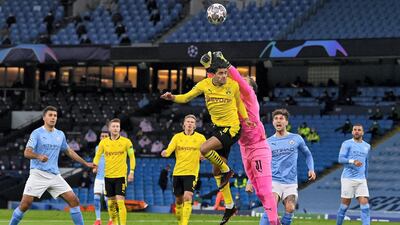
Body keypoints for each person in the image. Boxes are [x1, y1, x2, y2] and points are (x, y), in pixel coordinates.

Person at [161, 55, 253, 225]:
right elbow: (187, 97)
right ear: (213, 74)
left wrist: (245, 118)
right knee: (215, 172)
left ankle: (227, 170)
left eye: (226, 73)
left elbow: (239, 103)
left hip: (232, 129)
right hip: (218, 128)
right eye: (220, 73)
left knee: (203, 149)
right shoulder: (205, 85)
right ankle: (230, 206)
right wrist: (172, 97)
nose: (224, 76)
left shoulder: (232, 85)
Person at [204, 52, 279, 225]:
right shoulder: (232, 99)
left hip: (258, 147)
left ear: (251, 88)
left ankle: (274, 222)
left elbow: (235, 78)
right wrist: (209, 67)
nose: (239, 83)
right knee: (259, 193)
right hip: (244, 149)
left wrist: (226, 63)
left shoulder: (250, 98)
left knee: (265, 191)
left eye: (245, 82)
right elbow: (215, 84)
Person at [9, 106, 93, 225]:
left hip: (54, 175)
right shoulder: (37, 133)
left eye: (55, 116)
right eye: (50, 115)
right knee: (25, 204)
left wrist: (85, 163)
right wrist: (38, 156)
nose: (53, 118)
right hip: (38, 173)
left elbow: (69, 151)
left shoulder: (60, 134)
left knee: (74, 201)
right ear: (44, 118)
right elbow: (26, 152)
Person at [267, 109, 316, 225]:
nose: (278, 121)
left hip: (290, 182)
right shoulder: (268, 142)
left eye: (281, 118)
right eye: (276, 119)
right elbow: (260, 162)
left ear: (286, 122)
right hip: (274, 181)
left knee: (290, 208)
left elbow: (308, 154)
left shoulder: (296, 138)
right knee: (271, 206)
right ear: (273, 122)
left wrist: (311, 169)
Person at [161, 114, 206, 225]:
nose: (190, 124)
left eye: (192, 122)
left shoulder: (201, 138)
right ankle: (179, 216)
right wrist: (165, 153)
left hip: (192, 172)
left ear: (195, 126)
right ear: (184, 124)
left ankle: (184, 223)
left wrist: (204, 155)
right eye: (188, 122)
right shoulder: (177, 137)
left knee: (188, 196)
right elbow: (169, 149)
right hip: (177, 172)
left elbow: (206, 151)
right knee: (179, 200)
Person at [93, 118, 136, 225]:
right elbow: (97, 156)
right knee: (111, 204)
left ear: (120, 128)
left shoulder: (126, 142)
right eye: (113, 126)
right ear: (109, 128)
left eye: (117, 126)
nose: (116, 128)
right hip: (108, 176)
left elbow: (132, 157)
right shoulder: (104, 143)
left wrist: (131, 171)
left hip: (120, 176)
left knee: (120, 202)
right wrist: (95, 165)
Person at [336, 124, 371, 225]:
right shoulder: (346, 144)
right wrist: (352, 161)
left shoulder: (367, 146)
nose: (356, 131)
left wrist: (366, 177)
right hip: (348, 179)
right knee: (344, 206)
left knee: (365, 205)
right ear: (352, 132)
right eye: (355, 130)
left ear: (363, 132)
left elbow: (366, 163)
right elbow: (340, 159)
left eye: (359, 130)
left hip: (361, 180)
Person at [93, 131, 113, 225]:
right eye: (102, 136)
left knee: (107, 199)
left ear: (109, 137)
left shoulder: (113, 148)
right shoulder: (97, 148)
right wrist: (95, 167)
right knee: (96, 198)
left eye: (106, 136)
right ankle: (98, 220)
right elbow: (96, 160)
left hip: (108, 177)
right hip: (98, 177)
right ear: (100, 137)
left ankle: (111, 220)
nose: (104, 137)